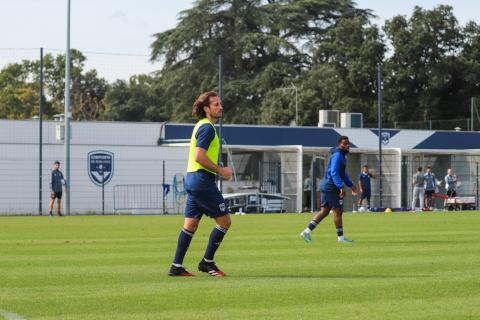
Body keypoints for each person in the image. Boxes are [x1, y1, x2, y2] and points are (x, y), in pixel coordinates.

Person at [168, 91, 233, 277]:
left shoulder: (200, 126)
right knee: (225, 221)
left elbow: (200, 157)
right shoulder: (207, 128)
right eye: (216, 104)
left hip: (193, 179)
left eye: (220, 104)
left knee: (190, 225)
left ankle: (176, 266)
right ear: (206, 109)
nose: (220, 107)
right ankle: (208, 262)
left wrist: (216, 167)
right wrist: (221, 171)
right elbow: (199, 156)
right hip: (202, 180)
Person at [300, 136, 357, 243]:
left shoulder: (341, 156)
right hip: (331, 187)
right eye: (345, 143)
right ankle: (340, 238)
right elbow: (334, 172)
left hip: (327, 186)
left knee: (324, 211)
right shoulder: (338, 156)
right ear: (339, 145)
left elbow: (342, 173)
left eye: (348, 143)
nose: (347, 145)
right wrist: (340, 186)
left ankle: (306, 232)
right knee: (337, 211)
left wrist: (350, 185)